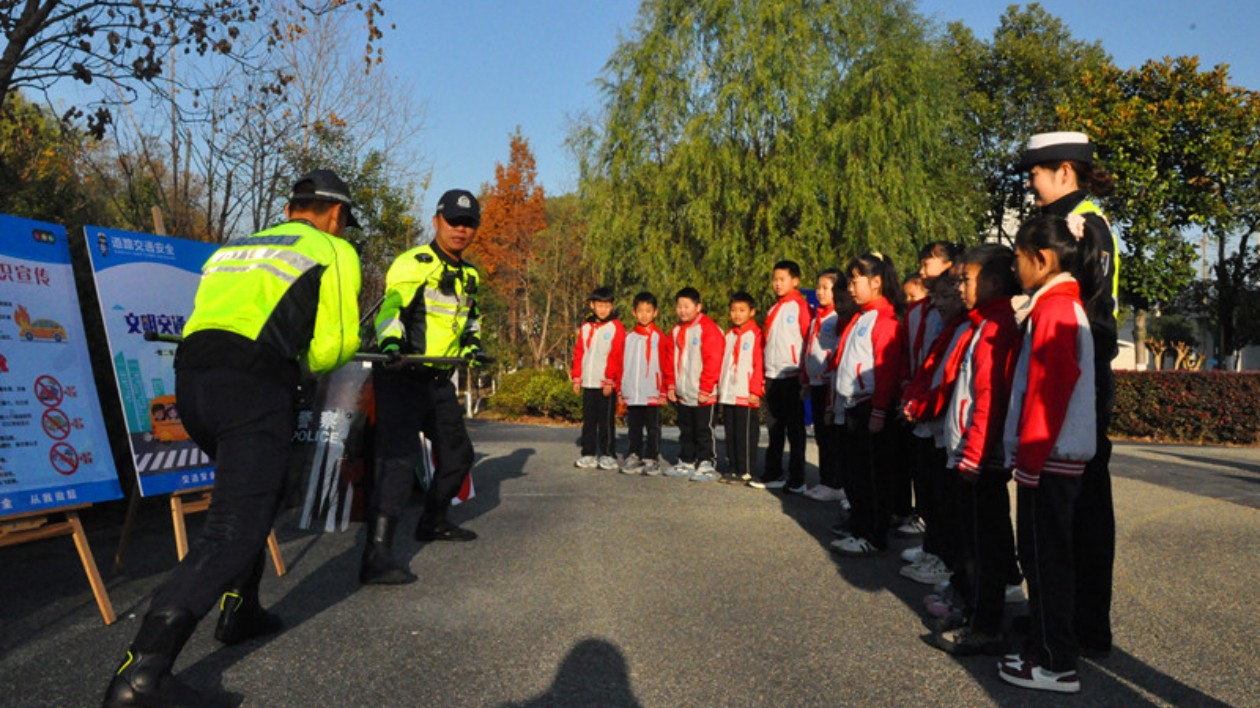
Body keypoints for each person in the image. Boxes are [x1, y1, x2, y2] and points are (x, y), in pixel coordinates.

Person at [104, 169, 363, 706]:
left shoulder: (236, 247)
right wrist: (296, 368)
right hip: (252, 387)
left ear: (292, 207)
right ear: (335, 215)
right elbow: (337, 343)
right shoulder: (332, 248)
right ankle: (142, 673)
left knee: (257, 494)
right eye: (344, 222)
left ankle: (240, 609)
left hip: (194, 385)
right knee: (231, 529)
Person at [1016, 131, 1118, 659]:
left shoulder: (1089, 225)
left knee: (1081, 511)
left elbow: (1095, 317)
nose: (1031, 186)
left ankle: (1081, 627)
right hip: (1074, 375)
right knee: (1061, 513)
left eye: (1036, 174)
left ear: (1064, 172)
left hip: (1083, 379)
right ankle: (1055, 617)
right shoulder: (1068, 221)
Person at [361, 189, 486, 587]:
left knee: (459, 454)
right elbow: (391, 309)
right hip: (401, 374)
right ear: (437, 221)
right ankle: (375, 555)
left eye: (468, 224)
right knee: (396, 463)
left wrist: (474, 348)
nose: (460, 230)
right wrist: (391, 344)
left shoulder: (470, 275)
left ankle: (433, 520)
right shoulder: (414, 262)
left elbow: (469, 322)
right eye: (453, 221)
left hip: (437, 379)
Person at [998, 213, 1098, 694]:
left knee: (1045, 562)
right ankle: (1046, 649)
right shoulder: (1054, 306)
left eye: (1018, 258)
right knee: (1045, 559)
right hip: (1051, 456)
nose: (1015, 269)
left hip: (1049, 458)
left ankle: (1056, 662)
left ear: (1042, 259)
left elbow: (1049, 391)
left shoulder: (1056, 311)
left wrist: (1030, 461)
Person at [931, 244, 1022, 656]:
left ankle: (984, 624)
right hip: (972, 451)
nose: (960, 286)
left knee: (981, 546)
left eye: (966, 279)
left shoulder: (998, 324)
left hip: (980, 457)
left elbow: (990, 396)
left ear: (994, 282)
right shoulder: (982, 322)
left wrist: (975, 451)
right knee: (975, 540)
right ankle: (974, 610)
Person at [828, 252, 905, 558]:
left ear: (876, 282)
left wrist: (878, 410)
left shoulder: (883, 318)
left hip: (870, 406)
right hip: (853, 405)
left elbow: (886, 369)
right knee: (855, 472)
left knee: (872, 475)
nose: (850, 287)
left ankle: (873, 533)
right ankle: (859, 524)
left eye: (855, 280)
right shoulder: (862, 317)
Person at [895, 242, 964, 540]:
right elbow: (910, 355)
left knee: (943, 485)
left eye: (928, 264)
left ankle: (941, 550)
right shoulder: (920, 310)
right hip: (919, 398)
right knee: (923, 474)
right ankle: (933, 544)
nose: (922, 272)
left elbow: (943, 367)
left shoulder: (955, 316)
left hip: (939, 407)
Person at [752, 260, 811, 492]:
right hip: (773, 374)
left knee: (795, 430)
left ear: (795, 281)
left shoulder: (800, 306)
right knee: (774, 427)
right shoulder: (773, 309)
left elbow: (808, 340)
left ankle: (797, 478)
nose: (777, 284)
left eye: (782, 279)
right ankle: (773, 472)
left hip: (791, 374)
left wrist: (803, 373)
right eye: (774, 280)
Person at [665, 287, 724, 480]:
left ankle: (707, 462)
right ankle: (686, 460)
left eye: (687, 306)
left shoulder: (707, 329)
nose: (682, 310)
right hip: (684, 391)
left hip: (703, 393)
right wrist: (671, 385)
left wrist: (706, 388)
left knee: (703, 429)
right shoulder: (675, 331)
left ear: (698, 307)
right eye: (680, 306)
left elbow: (713, 360)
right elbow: (670, 360)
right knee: (686, 428)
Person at [801, 269, 845, 502]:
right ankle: (826, 479)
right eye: (818, 287)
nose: (819, 292)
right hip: (816, 383)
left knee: (830, 435)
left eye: (825, 287)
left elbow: (837, 350)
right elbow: (809, 351)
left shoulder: (837, 317)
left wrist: (827, 373)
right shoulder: (817, 316)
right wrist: (806, 380)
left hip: (829, 384)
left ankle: (835, 483)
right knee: (820, 434)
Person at [572, 286, 626, 470]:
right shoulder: (586, 327)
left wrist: (610, 380)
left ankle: (607, 453)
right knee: (589, 420)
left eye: (606, 306)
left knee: (606, 421)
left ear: (611, 306)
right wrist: (577, 377)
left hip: (605, 384)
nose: (602, 309)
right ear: (592, 305)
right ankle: (588, 453)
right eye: (599, 305)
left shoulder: (615, 327)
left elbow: (616, 355)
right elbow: (579, 352)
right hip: (589, 381)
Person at [619, 291, 672, 475]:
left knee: (653, 427)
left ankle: (652, 457)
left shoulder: (660, 337)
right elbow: (622, 365)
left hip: (652, 392)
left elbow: (666, 365)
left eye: (648, 311)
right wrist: (621, 389)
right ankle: (634, 453)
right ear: (634, 312)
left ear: (655, 312)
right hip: (633, 392)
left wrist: (664, 390)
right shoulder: (628, 338)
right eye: (640, 311)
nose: (644, 315)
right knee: (634, 426)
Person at [717, 291, 764, 485]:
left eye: (742, 310)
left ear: (752, 312)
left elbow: (758, 364)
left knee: (744, 433)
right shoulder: (729, 335)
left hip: (745, 392)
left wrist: (755, 390)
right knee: (731, 432)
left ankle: (746, 470)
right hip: (729, 392)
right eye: (734, 310)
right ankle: (734, 468)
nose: (737, 314)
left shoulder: (755, 335)